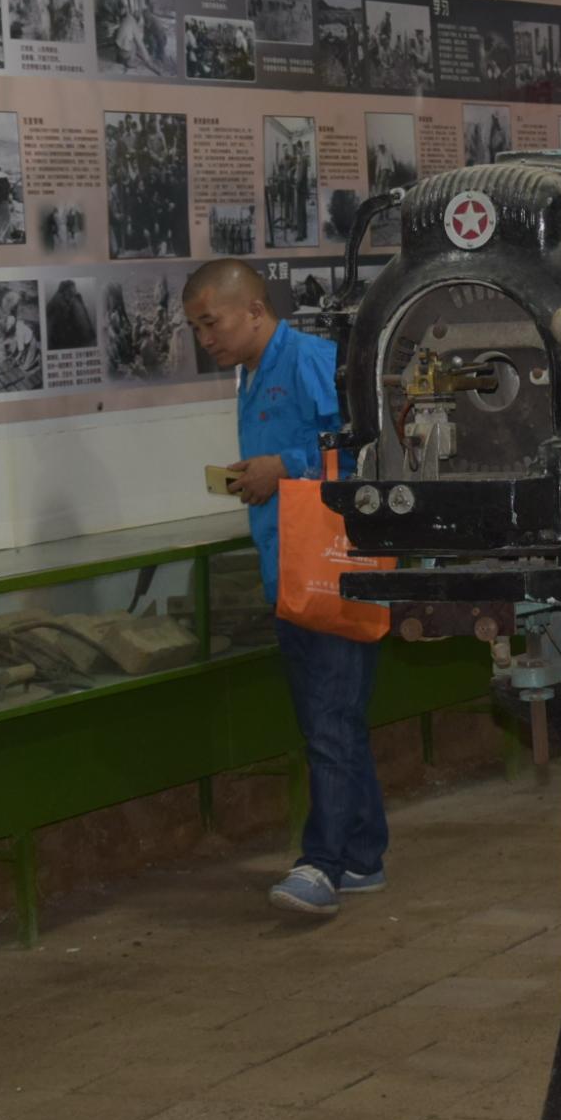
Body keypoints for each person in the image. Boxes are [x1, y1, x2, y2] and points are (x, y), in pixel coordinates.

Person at [182, 259, 386, 919]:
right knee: (331, 720)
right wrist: (260, 475)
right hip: (289, 575)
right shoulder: (249, 373)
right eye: (195, 329)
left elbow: (366, 451)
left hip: (334, 571)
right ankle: (362, 856)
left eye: (210, 323)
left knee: (330, 722)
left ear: (254, 309)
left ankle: (321, 865)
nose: (205, 339)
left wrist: (286, 466)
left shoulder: (311, 362)